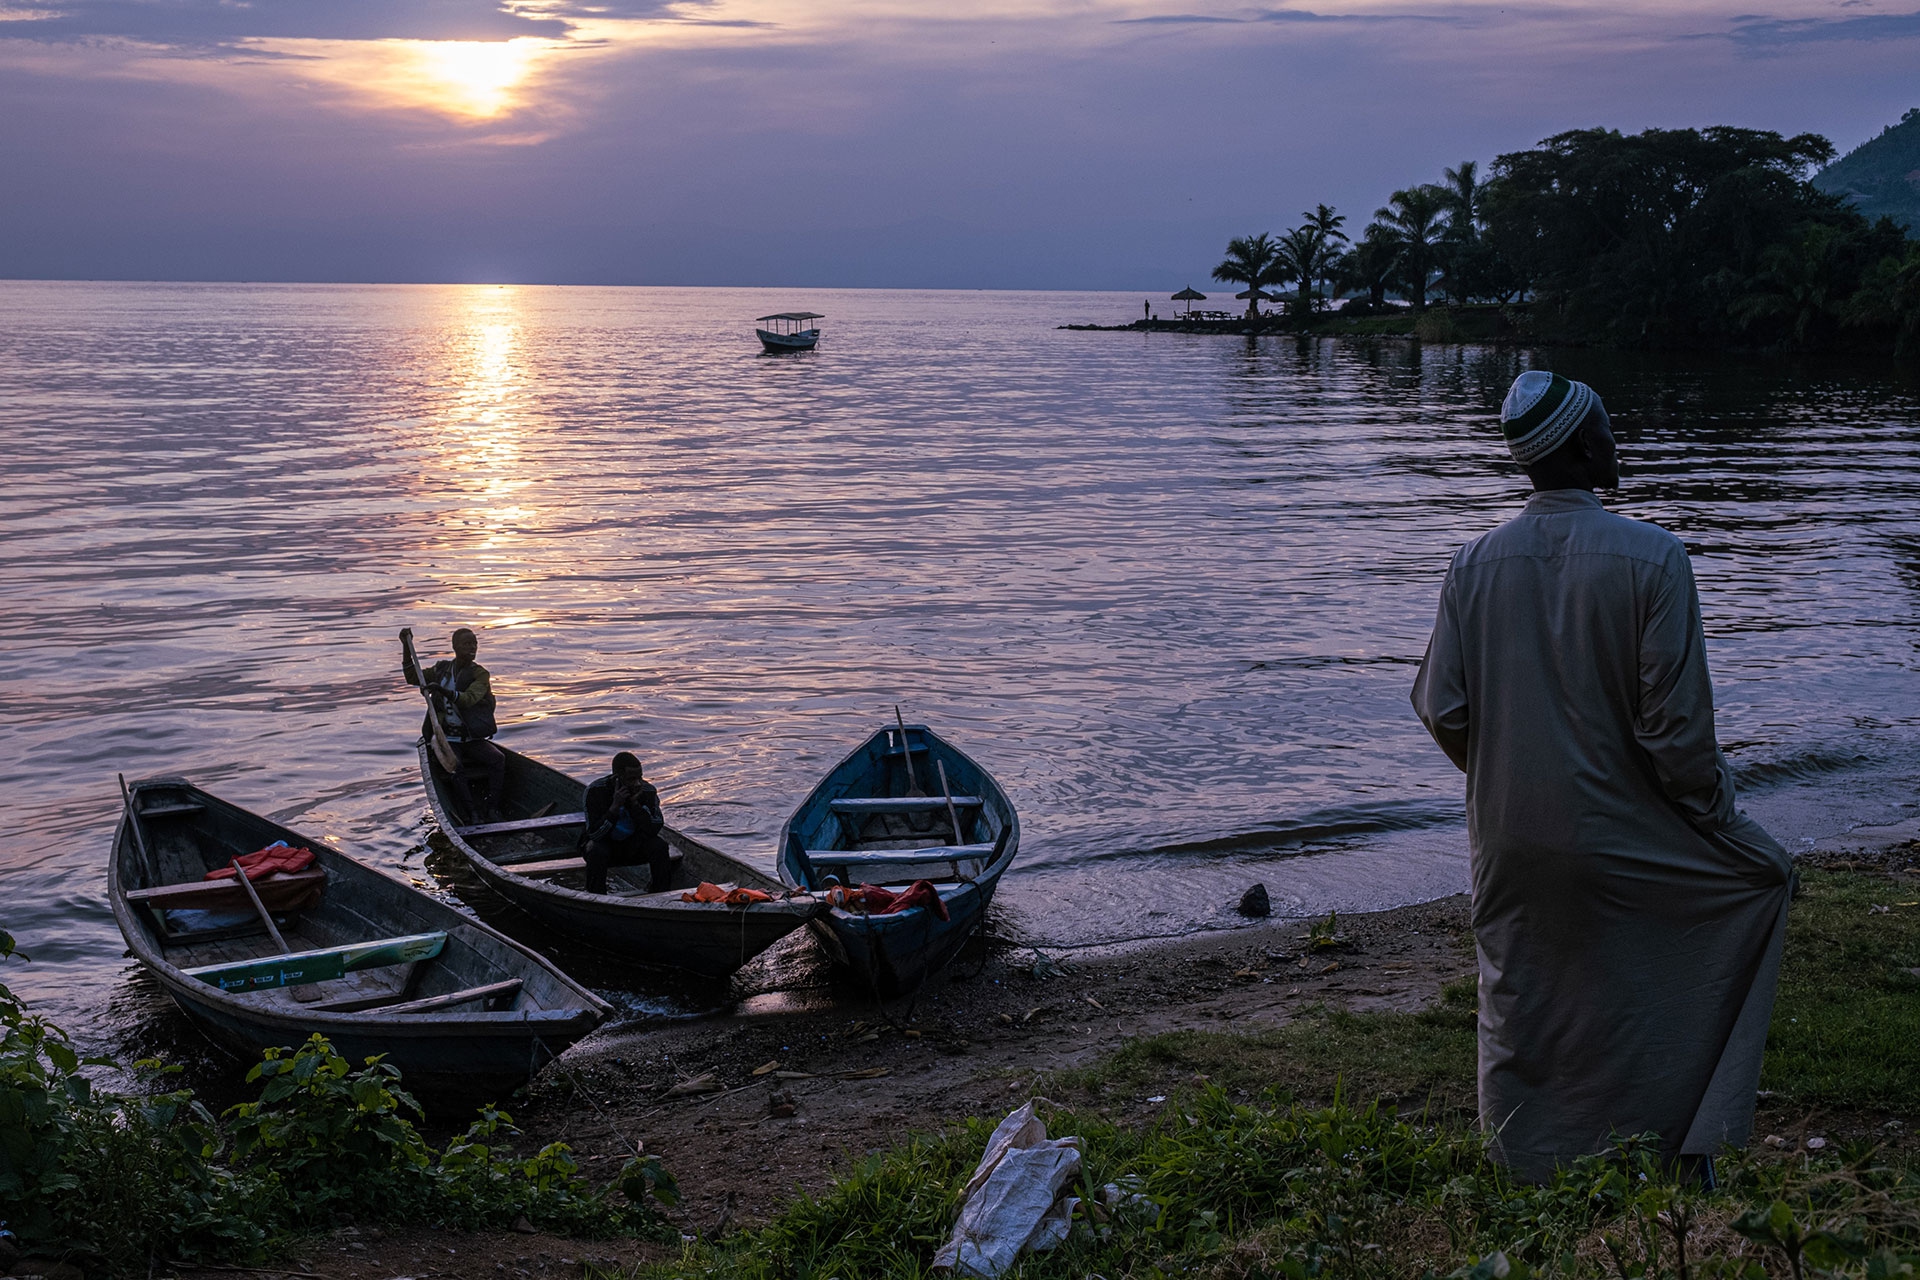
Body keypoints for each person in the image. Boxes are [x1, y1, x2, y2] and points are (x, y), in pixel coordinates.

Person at [1410, 370, 1792, 1183]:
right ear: (1584, 446)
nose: (1618, 443)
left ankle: (1527, 1172)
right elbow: (1678, 741)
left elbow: (1444, 709)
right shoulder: (1654, 558)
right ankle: (1664, 1157)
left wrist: (1509, 780)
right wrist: (1724, 824)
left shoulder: (1471, 566)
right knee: (1738, 904)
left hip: (1509, 841)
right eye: (1610, 431)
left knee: (1526, 1001)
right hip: (1622, 837)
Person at [422, 627, 507, 823]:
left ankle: (492, 808)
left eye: (474, 643)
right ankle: (471, 813)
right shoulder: (441, 670)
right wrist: (405, 650)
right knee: (455, 766)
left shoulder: (480, 674)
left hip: (471, 738)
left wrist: (443, 691)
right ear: (455, 647)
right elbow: (413, 676)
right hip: (448, 738)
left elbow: (468, 699)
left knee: (498, 759)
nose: (472, 647)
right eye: (467, 644)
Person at [581, 752, 672, 895]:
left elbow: (653, 828)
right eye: (631, 779)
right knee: (596, 851)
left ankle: (661, 894)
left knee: (659, 846)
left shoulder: (647, 791)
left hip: (634, 845)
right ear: (617, 777)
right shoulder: (595, 791)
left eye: (639, 778)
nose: (637, 783)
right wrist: (614, 808)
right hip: (606, 844)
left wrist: (635, 805)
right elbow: (594, 834)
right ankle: (596, 897)